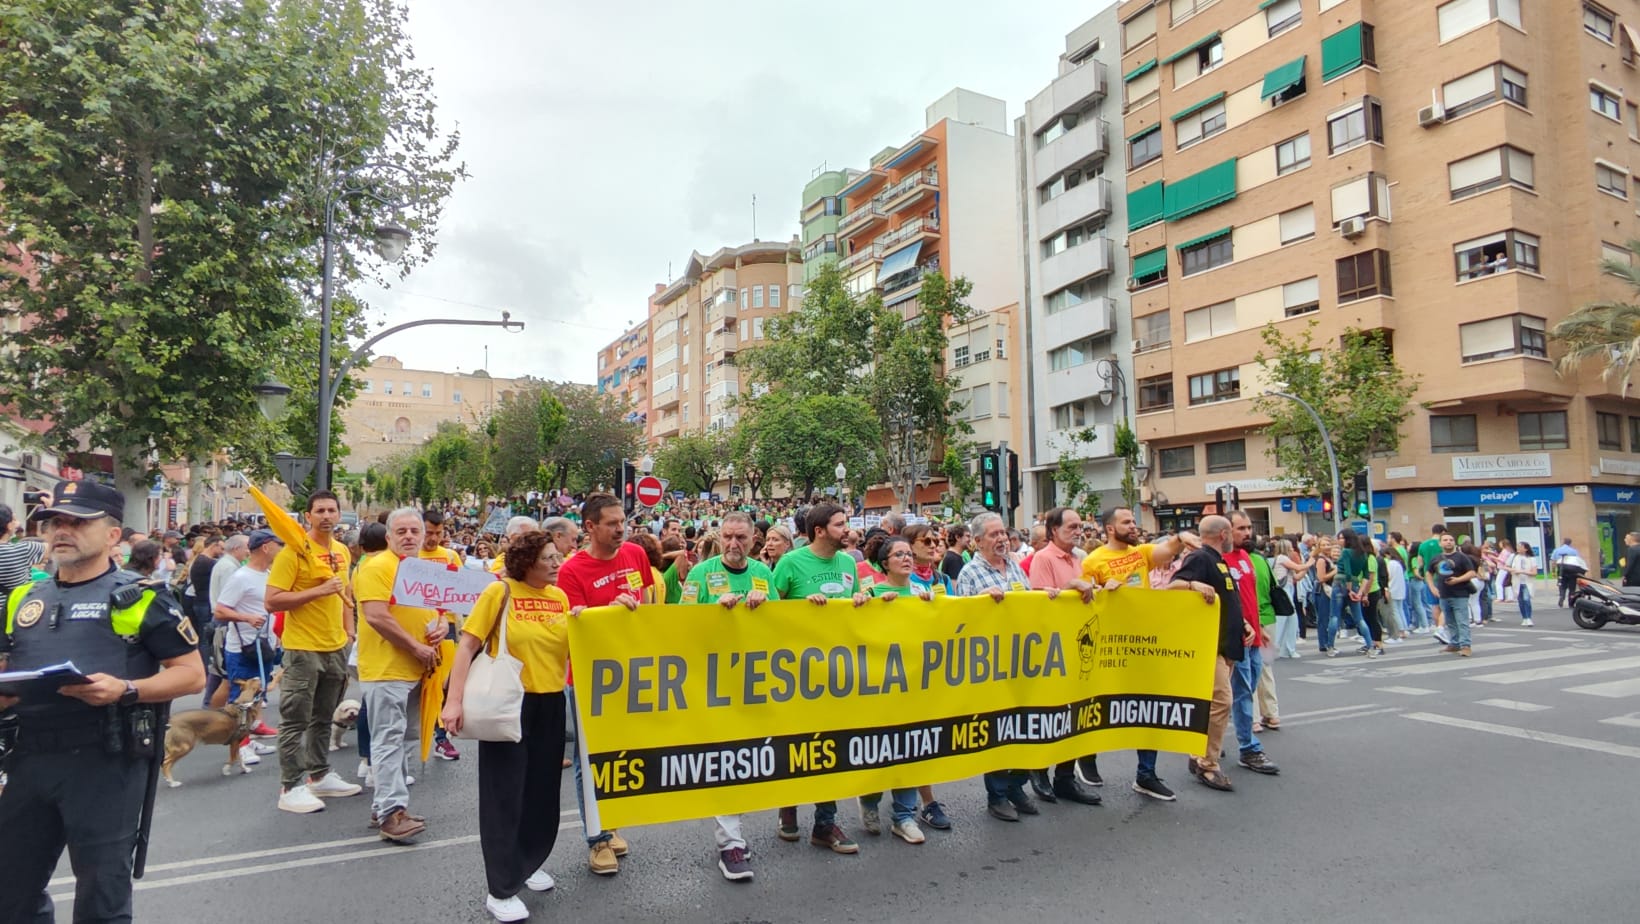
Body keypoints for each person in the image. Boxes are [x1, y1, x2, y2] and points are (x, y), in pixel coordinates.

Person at [0, 479, 206, 922]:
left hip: (105, 759)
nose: (62, 530)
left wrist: (126, 689)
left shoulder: (142, 596)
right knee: (10, 891)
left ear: (113, 535)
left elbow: (192, 675)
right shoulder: (23, 596)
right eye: (55, 522)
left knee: (101, 898)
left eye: (78, 522)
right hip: (29, 756)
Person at [443, 531, 572, 923]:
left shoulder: (560, 597)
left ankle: (527, 863)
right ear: (526, 562)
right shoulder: (499, 593)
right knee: (504, 796)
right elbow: (467, 646)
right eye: (548, 558)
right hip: (508, 702)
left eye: (557, 556)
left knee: (542, 792)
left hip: (551, 702)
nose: (556, 563)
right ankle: (500, 888)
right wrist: (454, 700)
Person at [555, 493, 652, 875]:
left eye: (622, 521)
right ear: (590, 527)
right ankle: (596, 840)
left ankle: (610, 825)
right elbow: (575, 626)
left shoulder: (635, 555)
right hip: (587, 679)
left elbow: (645, 601)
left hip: (628, 672)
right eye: (611, 523)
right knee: (588, 761)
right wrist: (609, 614)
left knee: (621, 754)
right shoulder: (571, 571)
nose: (620, 529)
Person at [678, 511, 776, 880]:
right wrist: (713, 613)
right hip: (714, 683)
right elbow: (680, 622)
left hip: (754, 683)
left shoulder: (764, 574)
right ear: (719, 537)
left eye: (741, 538)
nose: (734, 544)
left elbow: (784, 623)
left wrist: (764, 606)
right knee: (726, 761)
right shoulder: (702, 574)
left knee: (748, 761)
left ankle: (734, 835)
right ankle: (730, 844)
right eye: (728, 537)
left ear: (754, 540)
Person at [1078, 507, 1198, 801]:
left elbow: (1167, 549)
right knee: (1099, 704)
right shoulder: (1093, 561)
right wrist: (1103, 587)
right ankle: (1086, 756)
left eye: (1134, 521)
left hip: (1141, 643)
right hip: (1108, 645)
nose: (1133, 526)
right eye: (1127, 522)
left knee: (1148, 706)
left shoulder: (1142, 552)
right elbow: (1081, 601)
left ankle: (1146, 774)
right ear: (1109, 528)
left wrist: (1181, 537)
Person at [770, 502, 860, 854]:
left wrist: (861, 604)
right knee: (795, 744)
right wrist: (802, 608)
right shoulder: (790, 563)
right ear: (819, 530)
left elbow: (853, 609)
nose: (847, 530)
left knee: (831, 747)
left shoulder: (849, 562)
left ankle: (825, 823)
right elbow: (769, 613)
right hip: (796, 673)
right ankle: (788, 804)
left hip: (835, 673)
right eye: (840, 525)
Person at [355, 508, 450, 843]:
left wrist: (439, 629)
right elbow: (377, 616)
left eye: (415, 531)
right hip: (387, 668)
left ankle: (387, 805)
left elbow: (438, 612)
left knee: (404, 739)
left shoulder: (419, 569)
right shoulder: (377, 567)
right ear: (389, 536)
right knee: (388, 740)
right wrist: (415, 646)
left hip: (416, 669)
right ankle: (391, 813)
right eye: (402, 531)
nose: (409, 536)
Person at [265, 489, 362, 814]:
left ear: (339, 514)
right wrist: (318, 590)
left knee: (324, 716)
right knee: (295, 719)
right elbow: (272, 600)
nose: (326, 516)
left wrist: (349, 632)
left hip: (335, 646)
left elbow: (345, 593)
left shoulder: (341, 552)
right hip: (302, 648)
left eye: (331, 510)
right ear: (308, 516)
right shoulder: (292, 553)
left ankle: (319, 774)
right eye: (319, 510)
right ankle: (290, 785)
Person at [957, 512, 1039, 821]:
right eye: (993, 535)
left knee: (1023, 727)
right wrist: (980, 600)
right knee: (997, 730)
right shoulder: (970, 573)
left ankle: (1017, 785)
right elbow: (959, 619)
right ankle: (997, 794)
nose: (1001, 539)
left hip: (1021, 661)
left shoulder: (1016, 567)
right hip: (991, 665)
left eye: (1002, 533)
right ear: (977, 542)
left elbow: (1030, 603)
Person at [851, 535, 932, 846]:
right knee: (879, 749)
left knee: (910, 749)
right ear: (885, 563)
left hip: (914, 685)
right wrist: (862, 606)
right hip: (880, 686)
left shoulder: (923, 592)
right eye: (899, 555)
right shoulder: (871, 592)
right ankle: (869, 800)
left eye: (909, 553)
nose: (907, 558)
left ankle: (904, 815)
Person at [1025, 507, 1105, 806]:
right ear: (1053, 530)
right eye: (1071, 526)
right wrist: (1068, 587)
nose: (1078, 530)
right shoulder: (1044, 559)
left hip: (1078, 645)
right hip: (1052, 649)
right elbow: (1038, 602)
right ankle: (1040, 770)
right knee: (1052, 713)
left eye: (1079, 526)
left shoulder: (1080, 559)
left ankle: (1066, 777)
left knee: (1075, 715)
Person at [1165, 515, 1247, 792]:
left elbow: (1227, 599)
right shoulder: (1201, 558)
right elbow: (1173, 585)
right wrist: (1192, 585)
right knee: (1222, 701)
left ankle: (1200, 754)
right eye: (1236, 530)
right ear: (1224, 533)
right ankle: (1206, 762)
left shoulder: (1217, 559)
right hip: (1211, 645)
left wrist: (1242, 623)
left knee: (1216, 704)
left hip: (1225, 643)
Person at [213, 530, 284, 704]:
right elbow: (220, 610)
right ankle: (237, 730)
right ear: (266, 547)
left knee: (258, 692)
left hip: (263, 646)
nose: (282, 549)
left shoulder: (268, 575)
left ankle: (254, 725)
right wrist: (247, 618)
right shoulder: (241, 577)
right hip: (243, 647)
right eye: (279, 545)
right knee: (241, 698)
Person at [1428, 532, 1478, 656]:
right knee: (1450, 621)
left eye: (1451, 539)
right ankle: (1454, 643)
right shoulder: (1436, 558)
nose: (1448, 542)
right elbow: (1428, 573)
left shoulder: (1461, 557)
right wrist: (1432, 587)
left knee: (1462, 621)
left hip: (1460, 594)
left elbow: (1472, 573)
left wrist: (1458, 580)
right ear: (1440, 543)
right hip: (1444, 594)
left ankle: (1465, 645)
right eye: (1445, 540)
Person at [1512, 542, 1538, 626]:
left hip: (1527, 582)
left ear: (1526, 549)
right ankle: (1524, 618)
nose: (1518, 548)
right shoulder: (1516, 557)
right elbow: (1513, 568)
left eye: (1520, 547)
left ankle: (1528, 618)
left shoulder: (1531, 559)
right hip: (1518, 582)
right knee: (1521, 601)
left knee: (1526, 600)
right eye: (1518, 547)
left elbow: (1534, 572)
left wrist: (1522, 571)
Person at [1550, 537, 1579, 607]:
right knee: (1572, 587)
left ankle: (1562, 597)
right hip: (1572, 571)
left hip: (1561, 570)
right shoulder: (1574, 551)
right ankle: (1571, 601)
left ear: (1563, 542)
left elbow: (1553, 562)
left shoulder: (1556, 550)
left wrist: (1553, 572)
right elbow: (1577, 561)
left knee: (1562, 585)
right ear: (1570, 543)